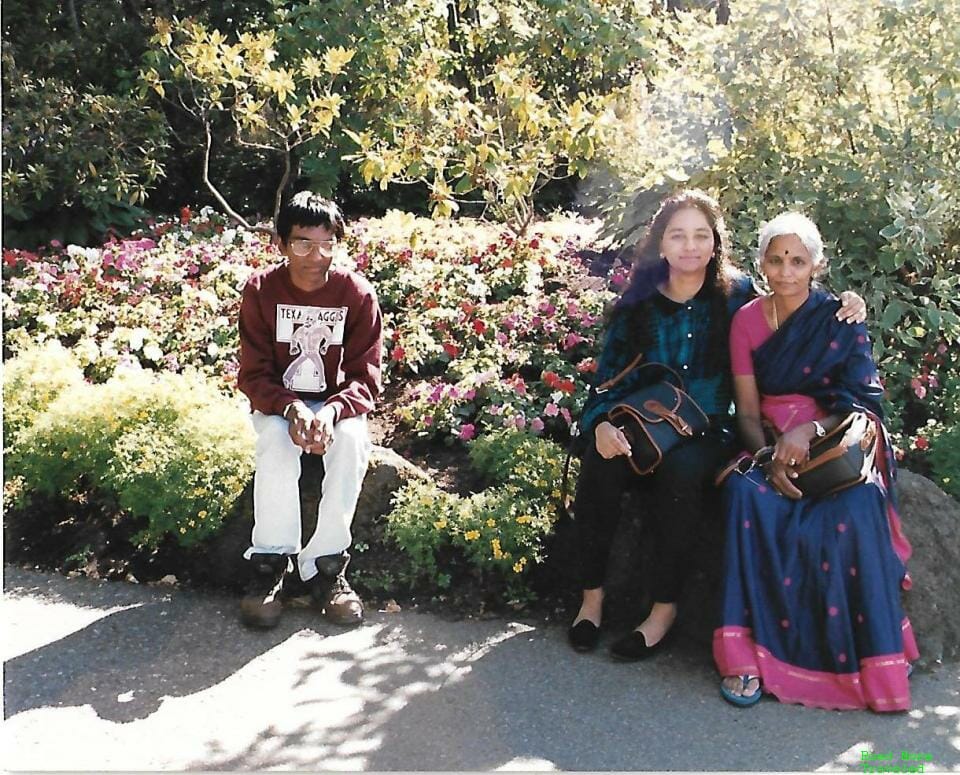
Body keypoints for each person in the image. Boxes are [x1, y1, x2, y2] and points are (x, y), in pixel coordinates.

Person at [568, 191, 865, 659]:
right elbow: (605, 383)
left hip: (710, 429)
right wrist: (601, 424)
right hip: (644, 425)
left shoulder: (738, 294)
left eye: (700, 235)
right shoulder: (638, 304)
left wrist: (849, 302)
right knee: (601, 465)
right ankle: (591, 603)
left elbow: (794, 297)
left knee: (682, 474)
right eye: (678, 235)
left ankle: (662, 613)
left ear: (715, 243)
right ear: (660, 244)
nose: (690, 246)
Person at [714, 212, 916, 711]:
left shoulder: (839, 318)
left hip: (835, 445)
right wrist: (768, 456)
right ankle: (746, 660)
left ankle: (877, 660)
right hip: (768, 446)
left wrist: (811, 430)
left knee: (862, 503)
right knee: (746, 494)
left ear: (816, 265)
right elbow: (746, 407)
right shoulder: (744, 320)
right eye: (776, 259)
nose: (785, 271)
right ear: (761, 262)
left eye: (797, 261)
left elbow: (867, 402)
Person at [236, 191, 382, 629]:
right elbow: (254, 373)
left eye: (326, 244)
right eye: (302, 243)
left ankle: (326, 567)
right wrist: (293, 408)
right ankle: (271, 564)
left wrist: (332, 412)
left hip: (337, 407)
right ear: (281, 244)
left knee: (353, 444)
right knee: (278, 444)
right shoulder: (261, 291)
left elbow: (366, 377)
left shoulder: (355, 294)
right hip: (281, 405)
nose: (315, 256)